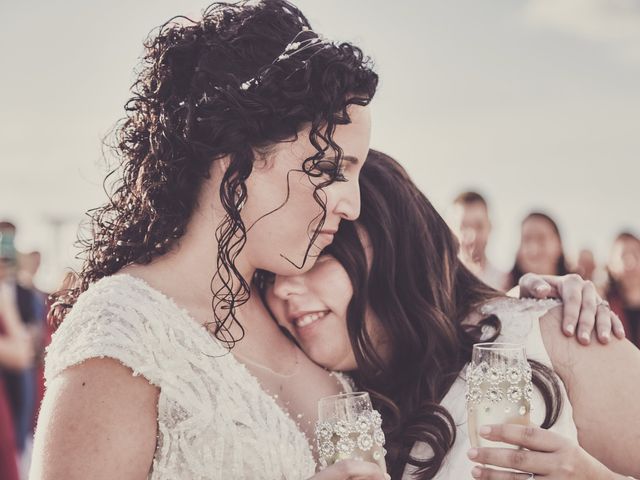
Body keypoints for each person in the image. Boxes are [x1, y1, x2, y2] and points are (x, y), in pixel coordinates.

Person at [31, 2, 385, 479]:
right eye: (329, 170)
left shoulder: (289, 309)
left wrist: (514, 320)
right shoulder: (125, 333)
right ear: (236, 152)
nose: (352, 205)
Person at [265, 150, 639, 479]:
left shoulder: (554, 334)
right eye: (266, 275)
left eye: (315, 257)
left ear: (391, 246)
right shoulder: (321, 409)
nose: (282, 289)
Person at [448, 191, 509, 291]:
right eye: (463, 226)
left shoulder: (507, 281)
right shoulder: (440, 281)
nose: (473, 236)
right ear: (451, 231)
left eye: (479, 226)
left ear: (490, 227)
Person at [509, 212, 571, 289]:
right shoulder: (502, 294)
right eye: (526, 239)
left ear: (559, 245)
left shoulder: (580, 290)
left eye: (541, 238)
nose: (533, 249)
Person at [607, 232, 640, 347]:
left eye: (636, 254)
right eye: (623, 256)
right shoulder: (603, 306)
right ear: (611, 265)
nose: (631, 263)